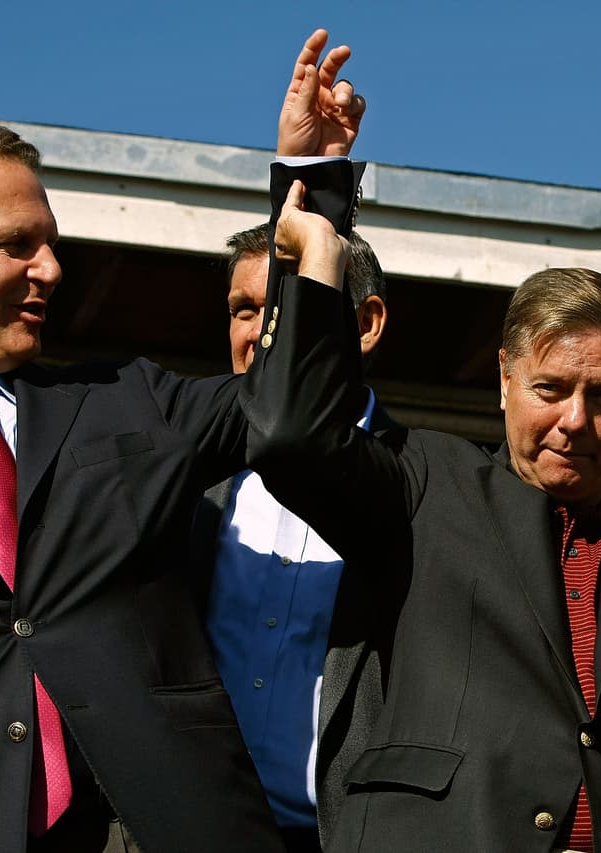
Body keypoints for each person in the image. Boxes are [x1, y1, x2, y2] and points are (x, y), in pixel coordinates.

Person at [0, 28, 363, 853]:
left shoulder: (125, 400)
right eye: (16, 245)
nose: (51, 269)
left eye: (51, 246)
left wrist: (312, 190)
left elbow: (288, 396)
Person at [243, 160, 601, 849]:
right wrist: (320, 235)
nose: (574, 419)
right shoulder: (423, 482)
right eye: (551, 388)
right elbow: (290, 437)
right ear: (505, 380)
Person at [192, 222, 391, 853]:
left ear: (366, 324)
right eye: (242, 311)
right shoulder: (183, 480)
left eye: (280, 306)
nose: (256, 332)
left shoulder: (428, 490)